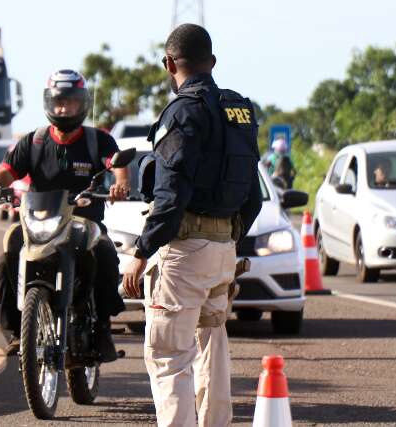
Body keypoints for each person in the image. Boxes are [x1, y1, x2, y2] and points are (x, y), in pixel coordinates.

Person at [122, 24, 262, 427]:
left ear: (169, 64)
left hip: (184, 253)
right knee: (212, 346)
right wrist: (228, 239)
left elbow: (169, 198)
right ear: (212, 62)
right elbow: (251, 194)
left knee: (169, 356)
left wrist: (140, 252)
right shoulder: (239, 109)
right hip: (223, 250)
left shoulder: (181, 112)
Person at [0, 69, 129, 360]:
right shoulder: (34, 141)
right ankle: (16, 331)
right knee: (6, 256)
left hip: (84, 222)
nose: (64, 108)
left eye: (70, 102)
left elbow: (116, 162)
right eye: (59, 102)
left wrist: (121, 183)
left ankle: (104, 328)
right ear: (49, 102)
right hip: (39, 222)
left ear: (81, 104)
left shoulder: (98, 140)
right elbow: (8, 170)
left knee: (106, 254)